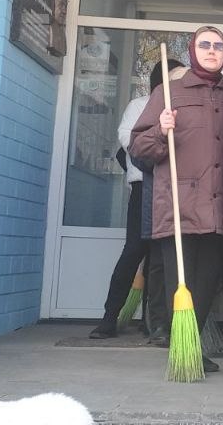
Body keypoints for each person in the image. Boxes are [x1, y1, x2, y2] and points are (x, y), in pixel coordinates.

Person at [128, 26, 223, 374]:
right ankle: (183, 349)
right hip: (180, 204)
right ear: (192, 50)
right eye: (205, 45)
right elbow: (139, 149)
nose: (212, 50)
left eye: (219, 46)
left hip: (219, 206)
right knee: (180, 285)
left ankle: (190, 345)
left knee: (206, 283)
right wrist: (160, 128)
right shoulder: (168, 93)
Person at [90, 58, 184, 341]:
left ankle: (154, 322)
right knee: (135, 251)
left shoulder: (187, 107)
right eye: (175, 78)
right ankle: (110, 317)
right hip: (146, 188)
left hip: (176, 190)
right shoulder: (140, 104)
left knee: (164, 257)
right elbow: (129, 140)